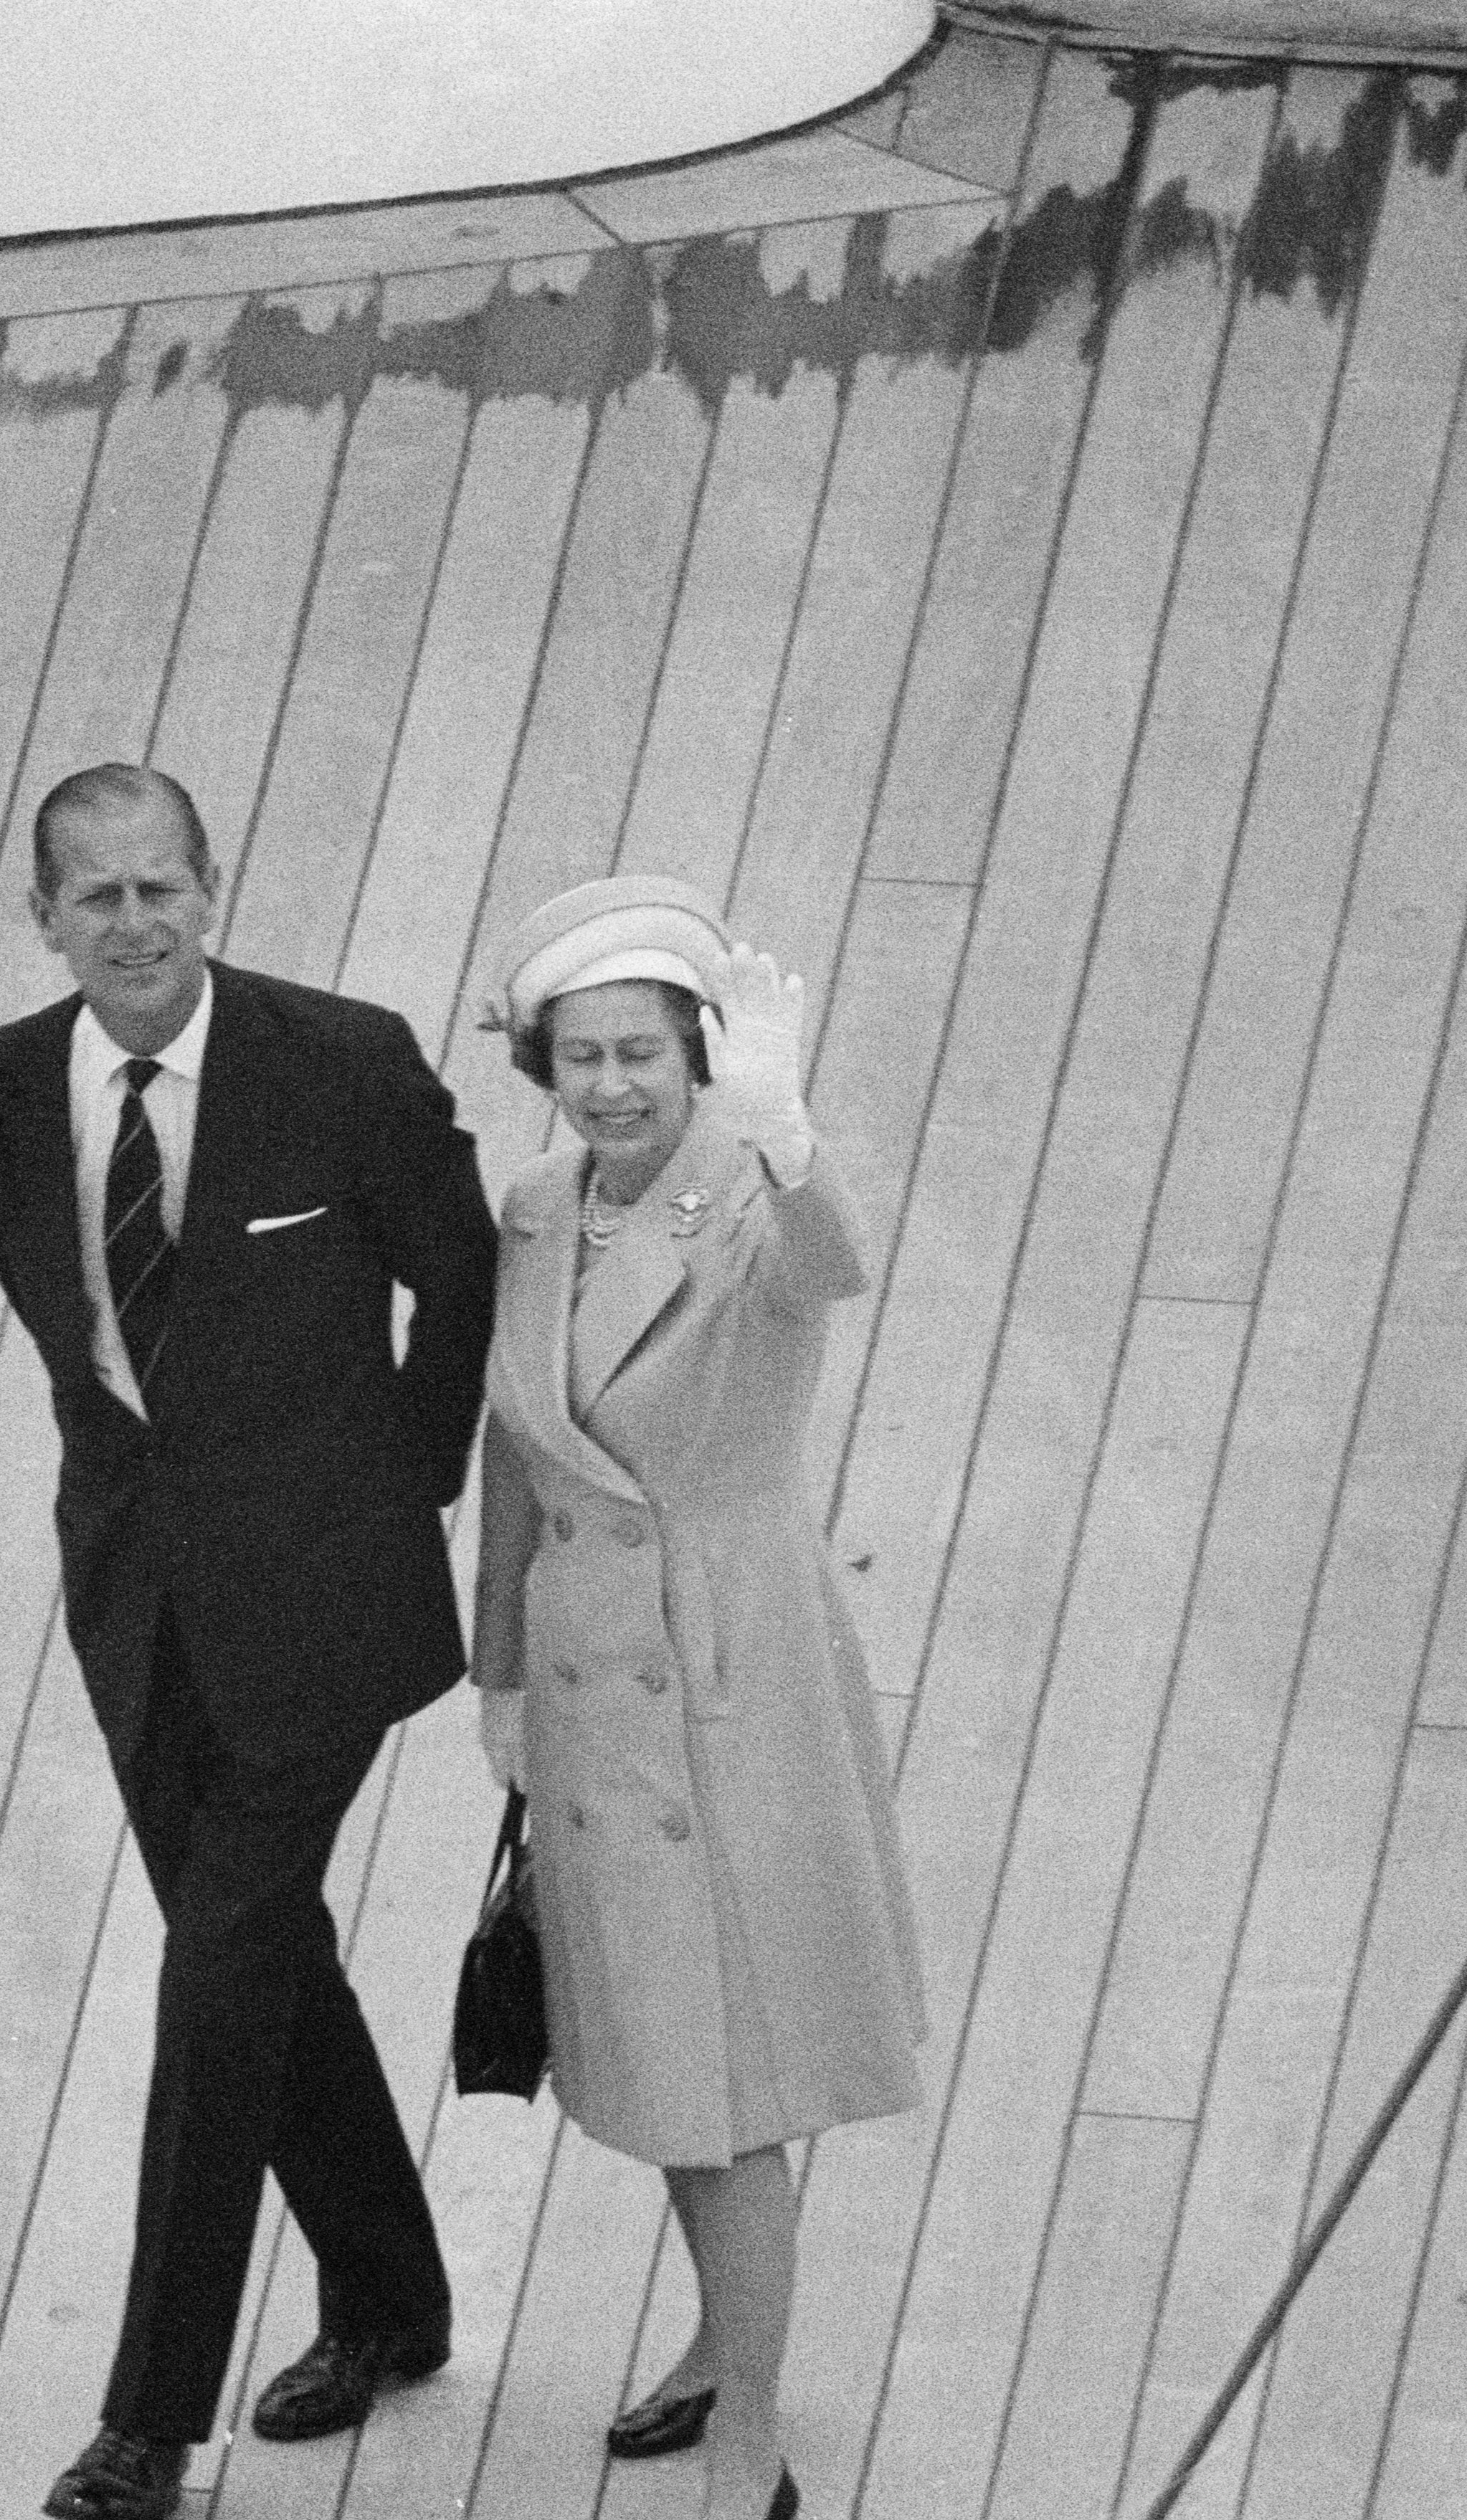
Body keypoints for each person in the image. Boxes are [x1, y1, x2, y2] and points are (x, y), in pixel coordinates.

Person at [0, 764, 498, 2520]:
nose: (137, 924)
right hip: (137, 1593)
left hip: (327, 1604)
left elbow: (462, 1277)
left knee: (216, 1973)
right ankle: (394, 2304)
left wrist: (395, 1500)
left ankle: (150, 2428)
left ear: (212, 890)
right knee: (261, 1959)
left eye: (163, 888)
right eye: (97, 898)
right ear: (45, 920)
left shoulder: (342, 1060)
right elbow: (79, 1335)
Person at [468, 875, 926, 2520]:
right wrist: (498, 1676)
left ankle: (751, 2440)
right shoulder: (532, 1213)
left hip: (736, 1681)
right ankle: (724, 2357)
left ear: (697, 1055)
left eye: (644, 1053)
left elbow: (835, 1268)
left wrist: (787, 1130)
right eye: (582, 1055)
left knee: (732, 2083)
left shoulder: (750, 1193)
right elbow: (514, 1454)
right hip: (591, 1691)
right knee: (669, 2059)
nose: (612, 1085)